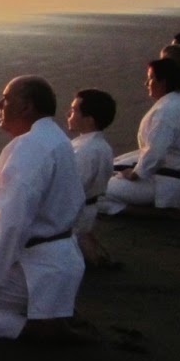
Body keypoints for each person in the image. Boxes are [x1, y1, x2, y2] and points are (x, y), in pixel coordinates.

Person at [0, 76, 86, 341]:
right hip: (55, 263)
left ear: (26, 108)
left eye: (6, 99)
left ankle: (30, 327)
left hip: (37, 268)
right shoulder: (54, 137)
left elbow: (11, 221)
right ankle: (48, 312)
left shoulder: (31, 146)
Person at [98, 57, 180, 214]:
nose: (147, 83)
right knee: (112, 166)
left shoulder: (166, 111)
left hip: (165, 183)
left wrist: (135, 174)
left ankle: (149, 212)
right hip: (176, 171)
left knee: (94, 192)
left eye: (151, 78)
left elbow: (156, 152)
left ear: (163, 82)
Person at [67, 88, 118, 272]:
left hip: (77, 214)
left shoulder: (85, 151)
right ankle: (86, 244)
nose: (69, 114)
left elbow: (72, 191)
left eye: (74, 111)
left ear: (88, 120)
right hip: (89, 210)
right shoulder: (100, 144)